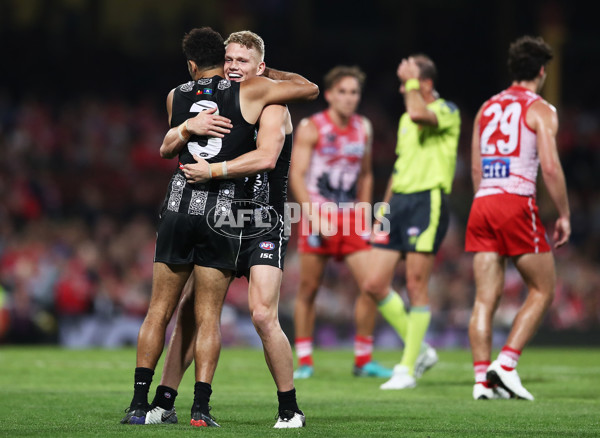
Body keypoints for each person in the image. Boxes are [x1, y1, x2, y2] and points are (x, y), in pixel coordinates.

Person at [120, 27, 318, 427]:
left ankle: (288, 406)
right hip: (223, 219)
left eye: (242, 61)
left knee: (262, 315)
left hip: (260, 220)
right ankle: (164, 400)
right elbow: (175, 141)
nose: (232, 67)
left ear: (260, 68)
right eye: (228, 59)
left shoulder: (272, 101)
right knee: (193, 311)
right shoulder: (227, 99)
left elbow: (266, 157)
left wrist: (212, 168)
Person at [466, 35, 570, 401]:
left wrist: (484, 201)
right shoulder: (541, 109)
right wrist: (565, 214)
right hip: (515, 199)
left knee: (484, 298)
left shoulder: (486, 108)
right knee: (543, 289)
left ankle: (482, 381)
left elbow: (476, 168)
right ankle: (505, 365)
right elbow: (552, 168)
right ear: (541, 71)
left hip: (484, 202)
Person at [363, 55, 460, 390]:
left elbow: (421, 112)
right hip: (400, 203)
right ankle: (421, 350)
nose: (403, 88)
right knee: (373, 283)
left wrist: (413, 86)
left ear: (426, 84)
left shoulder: (447, 110)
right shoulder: (406, 118)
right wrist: (382, 212)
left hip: (427, 200)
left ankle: (406, 368)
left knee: (416, 285)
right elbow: (401, 165)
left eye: (410, 82)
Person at [289, 66, 391, 379]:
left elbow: (366, 173)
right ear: (331, 95)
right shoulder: (312, 127)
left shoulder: (364, 128)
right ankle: (305, 360)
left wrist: (365, 210)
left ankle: (363, 359)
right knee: (309, 289)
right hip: (318, 215)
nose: (349, 98)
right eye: (343, 92)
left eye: (354, 93)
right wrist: (311, 215)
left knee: (372, 285)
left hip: (350, 217)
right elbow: (297, 174)